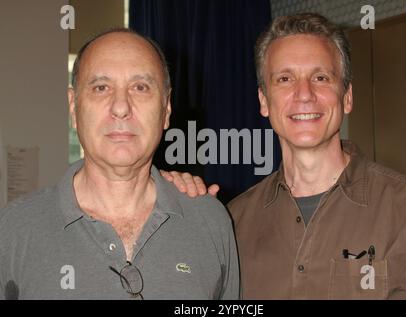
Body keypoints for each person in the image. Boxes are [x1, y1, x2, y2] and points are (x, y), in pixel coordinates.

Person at [162, 13, 406, 299]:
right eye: (285, 78)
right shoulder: (233, 222)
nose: (304, 94)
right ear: (263, 101)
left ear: (347, 97)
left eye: (320, 77)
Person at [0, 29, 239, 300]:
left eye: (140, 87)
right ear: (73, 107)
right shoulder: (13, 231)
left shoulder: (211, 221)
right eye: (101, 88)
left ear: (166, 108)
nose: (121, 107)